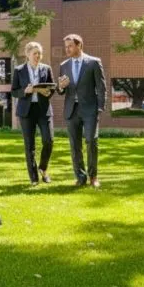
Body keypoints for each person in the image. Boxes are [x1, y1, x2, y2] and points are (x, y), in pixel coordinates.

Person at [56, 34, 106, 188]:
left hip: (90, 109)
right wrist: (60, 87)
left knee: (91, 141)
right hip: (72, 110)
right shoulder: (64, 65)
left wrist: (100, 107)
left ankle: (93, 177)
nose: (67, 49)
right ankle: (80, 176)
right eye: (66, 46)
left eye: (70, 46)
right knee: (74, 145)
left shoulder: (93, 63)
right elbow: (60, 91)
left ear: (79, 45)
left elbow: (101, 87)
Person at [11, 41, 55, 184]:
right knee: (29, 145)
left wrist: (47, 91)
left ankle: (43, 168)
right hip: (26, 111)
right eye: (35, 53)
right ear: (27, 54)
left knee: (48, 140)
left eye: (39, 53)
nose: (38, 56)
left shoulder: (46, 69)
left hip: (43, 110)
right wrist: (25, 91)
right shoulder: (19, 70)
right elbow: (14, 91)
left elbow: (52, 88)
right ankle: (34, 177)